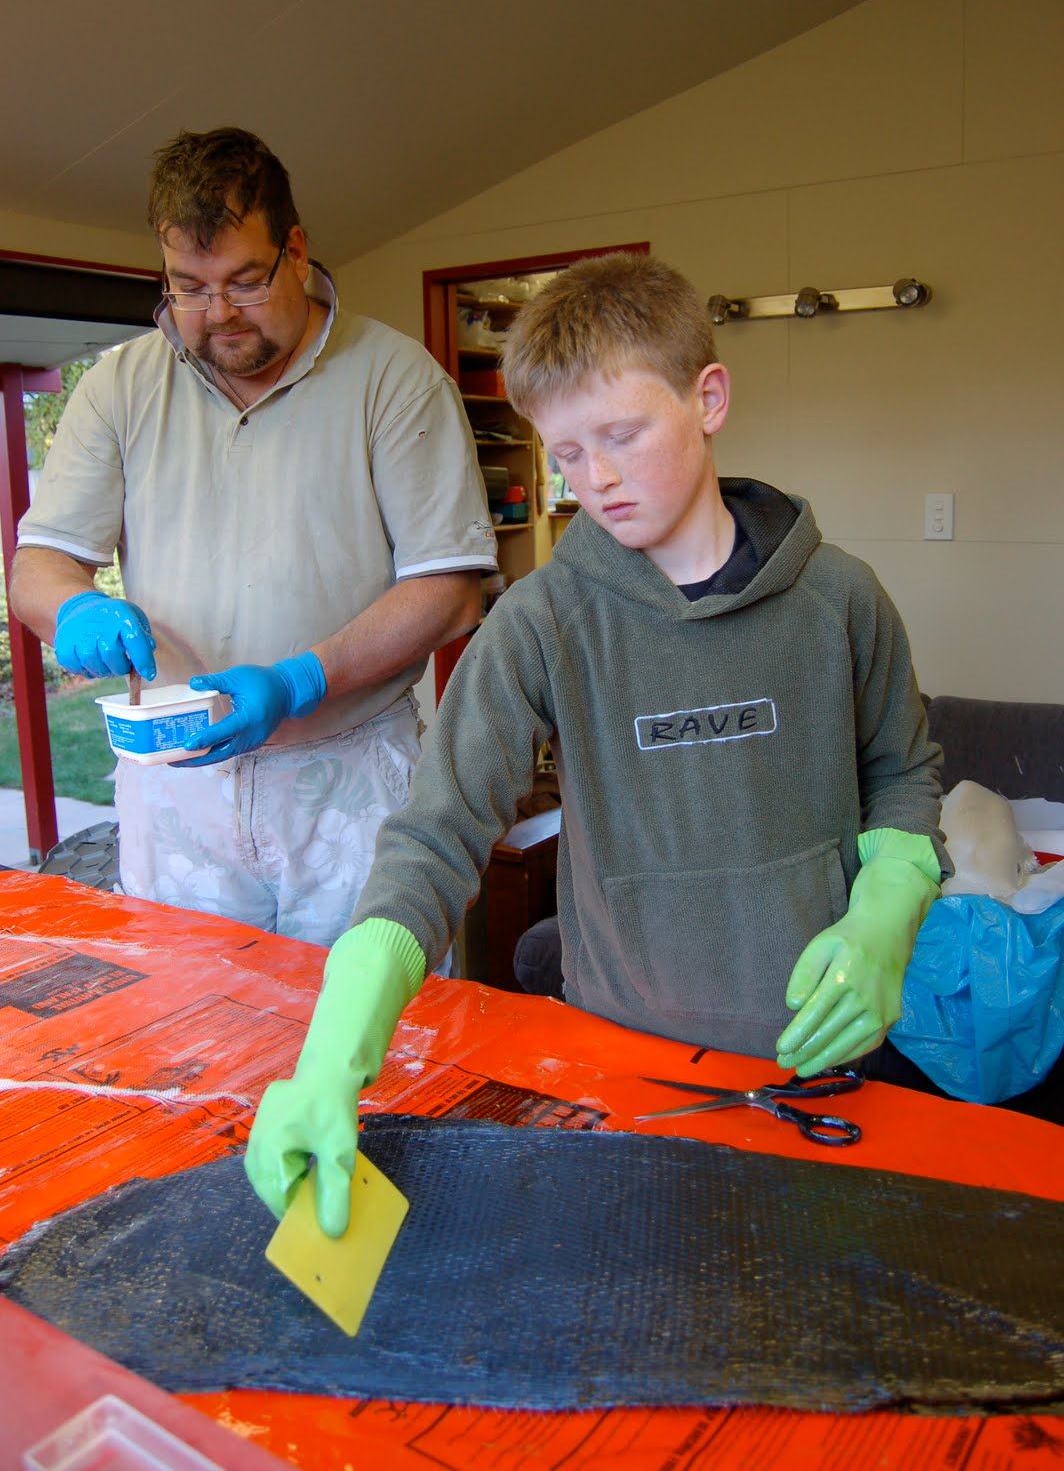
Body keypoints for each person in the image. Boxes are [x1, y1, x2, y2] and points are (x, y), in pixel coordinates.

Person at [244, 252, 949, 1234]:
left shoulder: (840, 599)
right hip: (620, 1060)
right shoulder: (541, 622)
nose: (597, 480)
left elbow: (904, 774)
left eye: (621, 435)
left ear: (707, 399)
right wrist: (335, 1047)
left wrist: (887, 912)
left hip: (821, 1056)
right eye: (567, 453)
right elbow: (436, 834)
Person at [10, 127, 496, 945]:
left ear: (295, 252)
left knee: (377, 1012)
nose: (219, 314)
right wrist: (71, 608)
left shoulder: (395, 377)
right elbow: (38, 566)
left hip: (348, 773)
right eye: (189, 288)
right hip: (177, 784)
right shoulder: (118, 387)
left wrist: (302, 680)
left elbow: (449, 592)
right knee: (189, 1008)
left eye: (244, 281)